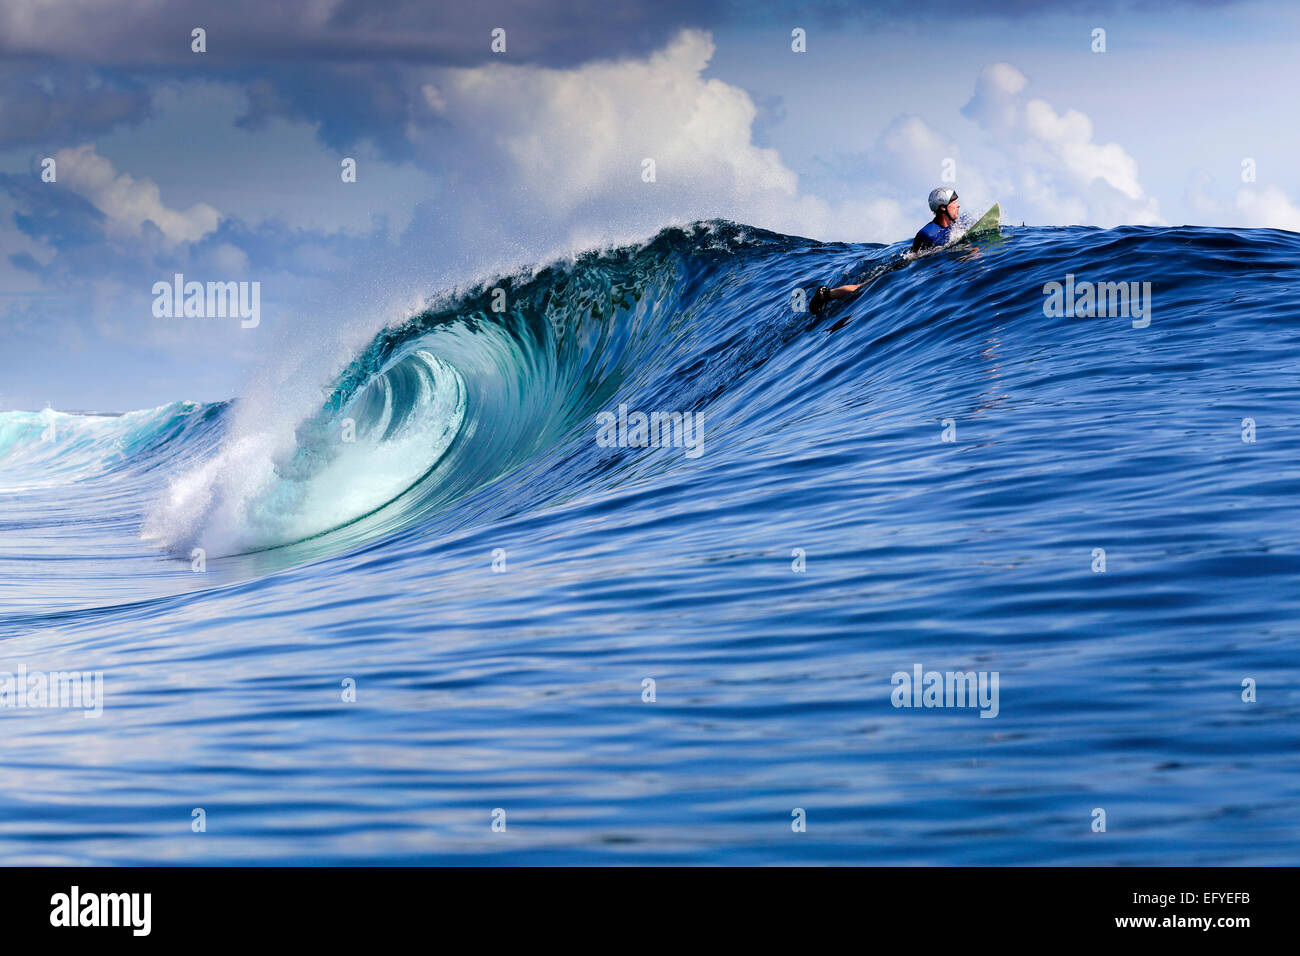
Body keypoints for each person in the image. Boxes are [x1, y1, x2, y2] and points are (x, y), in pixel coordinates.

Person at [809, 187, 961, 315]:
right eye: (954, 203)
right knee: (863, 286)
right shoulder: (928, 233)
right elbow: (919, 257)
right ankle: (825, 294)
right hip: (904, 267)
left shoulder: (956, 223)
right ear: (943, 207)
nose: (958, 206)